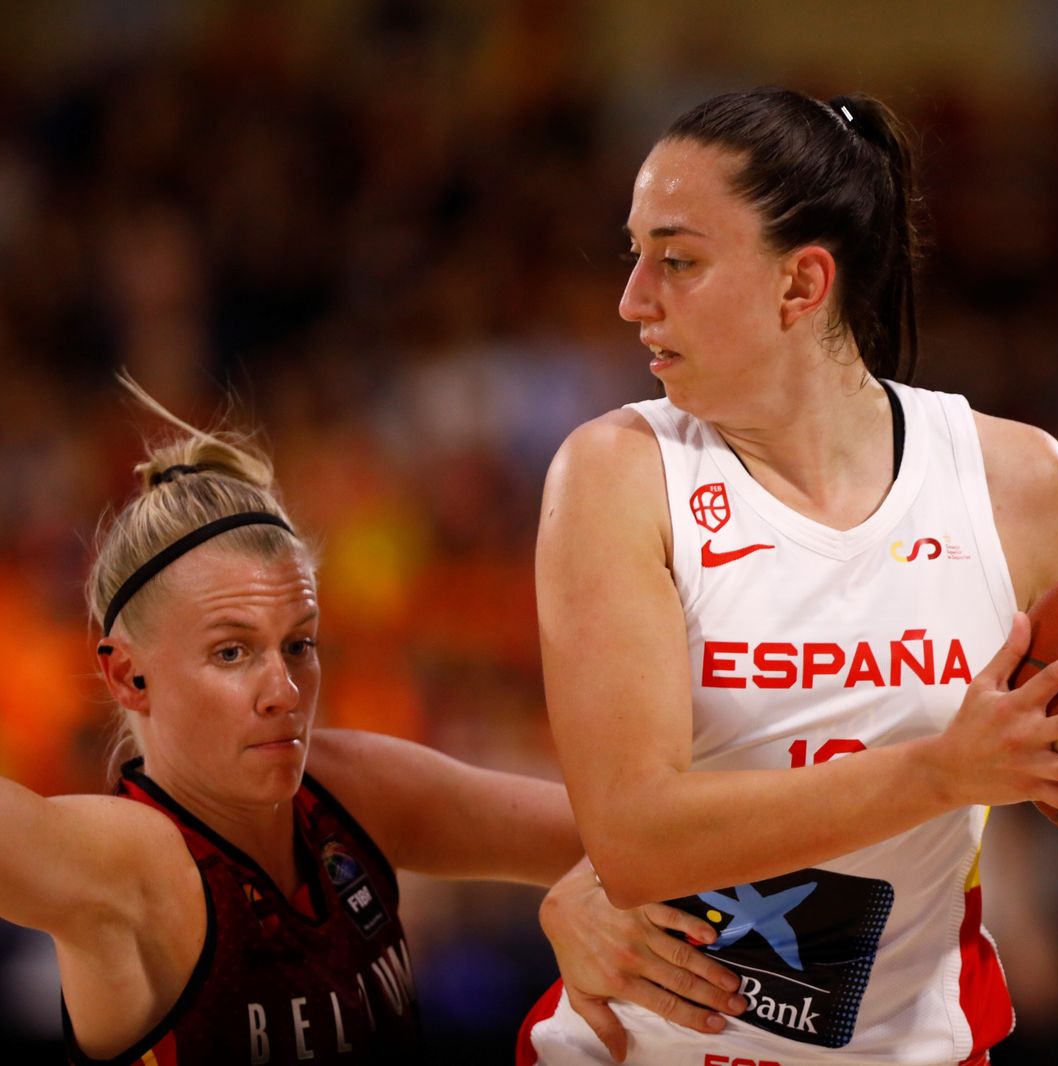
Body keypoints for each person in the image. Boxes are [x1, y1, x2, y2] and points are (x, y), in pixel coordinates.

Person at [521, 88, 1058, 1066]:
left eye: (676, 260)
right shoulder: (616, 472)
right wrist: (939, 771)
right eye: (634, 252)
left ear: (801, 284)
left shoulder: (1018, 482)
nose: (632, 297)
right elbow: (637, 837)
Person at [0, 377, 745, 1065]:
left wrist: (583, 894)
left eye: (300, 645)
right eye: (231, 653)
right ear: (128, 676)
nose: (283, 688)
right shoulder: (123, 861)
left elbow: (645, 839)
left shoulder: (349, 789)